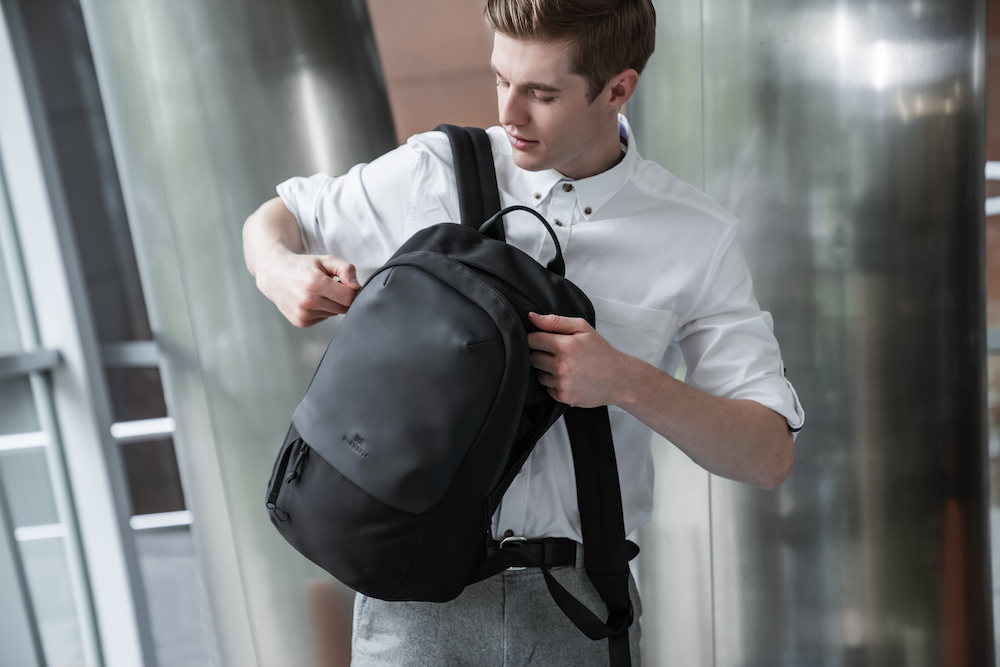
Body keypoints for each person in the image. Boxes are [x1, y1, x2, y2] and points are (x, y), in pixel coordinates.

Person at [243, 0, 804, 664]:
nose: (509, 112)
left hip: (578, 608)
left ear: (617, 89)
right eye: (501, 79)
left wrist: (627, 381)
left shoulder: (693, 236)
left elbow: (767, 456)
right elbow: (281, 217)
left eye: (540, 93)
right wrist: (278, 270)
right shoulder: (434, 170)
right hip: (410, 602)